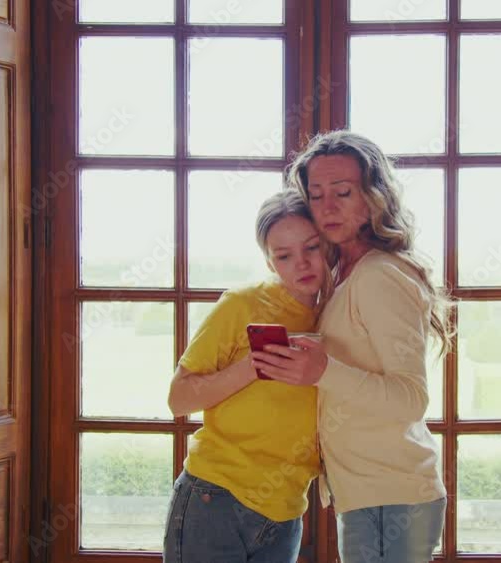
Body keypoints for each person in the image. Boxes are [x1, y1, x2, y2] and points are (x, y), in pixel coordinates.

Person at [251, 130, 451, 563]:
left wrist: (323, 371)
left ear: (374, 196)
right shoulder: (340, 273)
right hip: (367, 494)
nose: (327, 207)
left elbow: (411, 399)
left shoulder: (379, 275)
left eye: (342, 192)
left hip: (393, 498)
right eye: (316, 195)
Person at [163, 190, 326, 563]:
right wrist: (252, 367)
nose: (301, 263)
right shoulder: (241, 304)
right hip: (214, 499)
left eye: (312, 247)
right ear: (269, 261)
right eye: (284, 256)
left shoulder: (338, 314)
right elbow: (178, 399)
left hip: (287, 512)